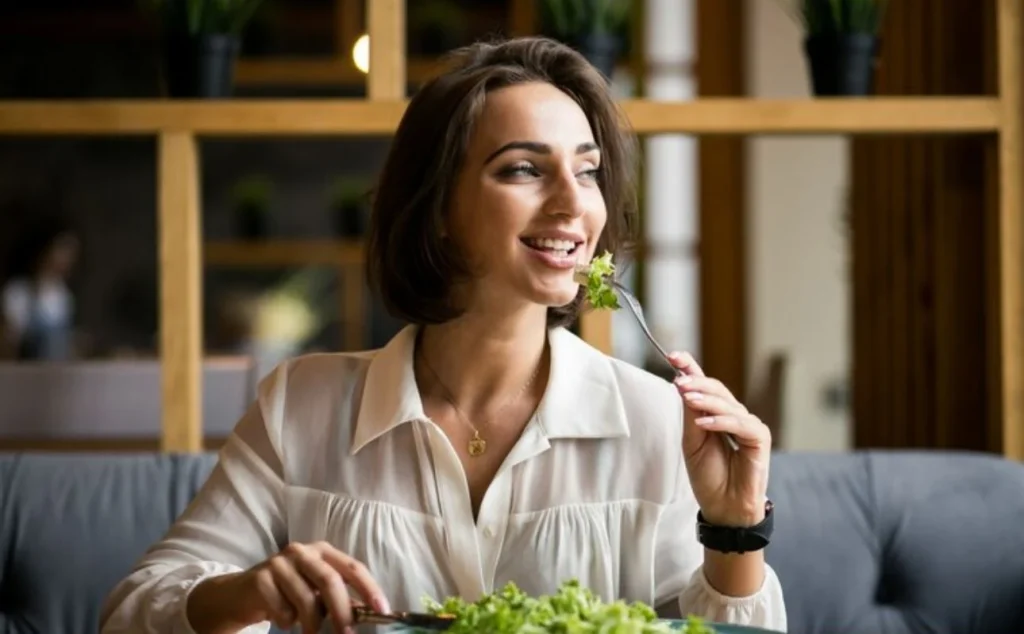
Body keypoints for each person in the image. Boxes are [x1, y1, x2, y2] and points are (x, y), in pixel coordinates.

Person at [100, 36, 787, 634]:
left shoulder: (657, 418)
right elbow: (132, 612)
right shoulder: (301, 405)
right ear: (437, 209)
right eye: (524, 169)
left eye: (587, 171)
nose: (574, 203)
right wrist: (247, 591)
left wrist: (735, 531)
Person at [1, 214, 79, 361]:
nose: (68, 258)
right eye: (62, 250)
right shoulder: (19, 292)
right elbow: (8, 344)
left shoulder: (63, 294)